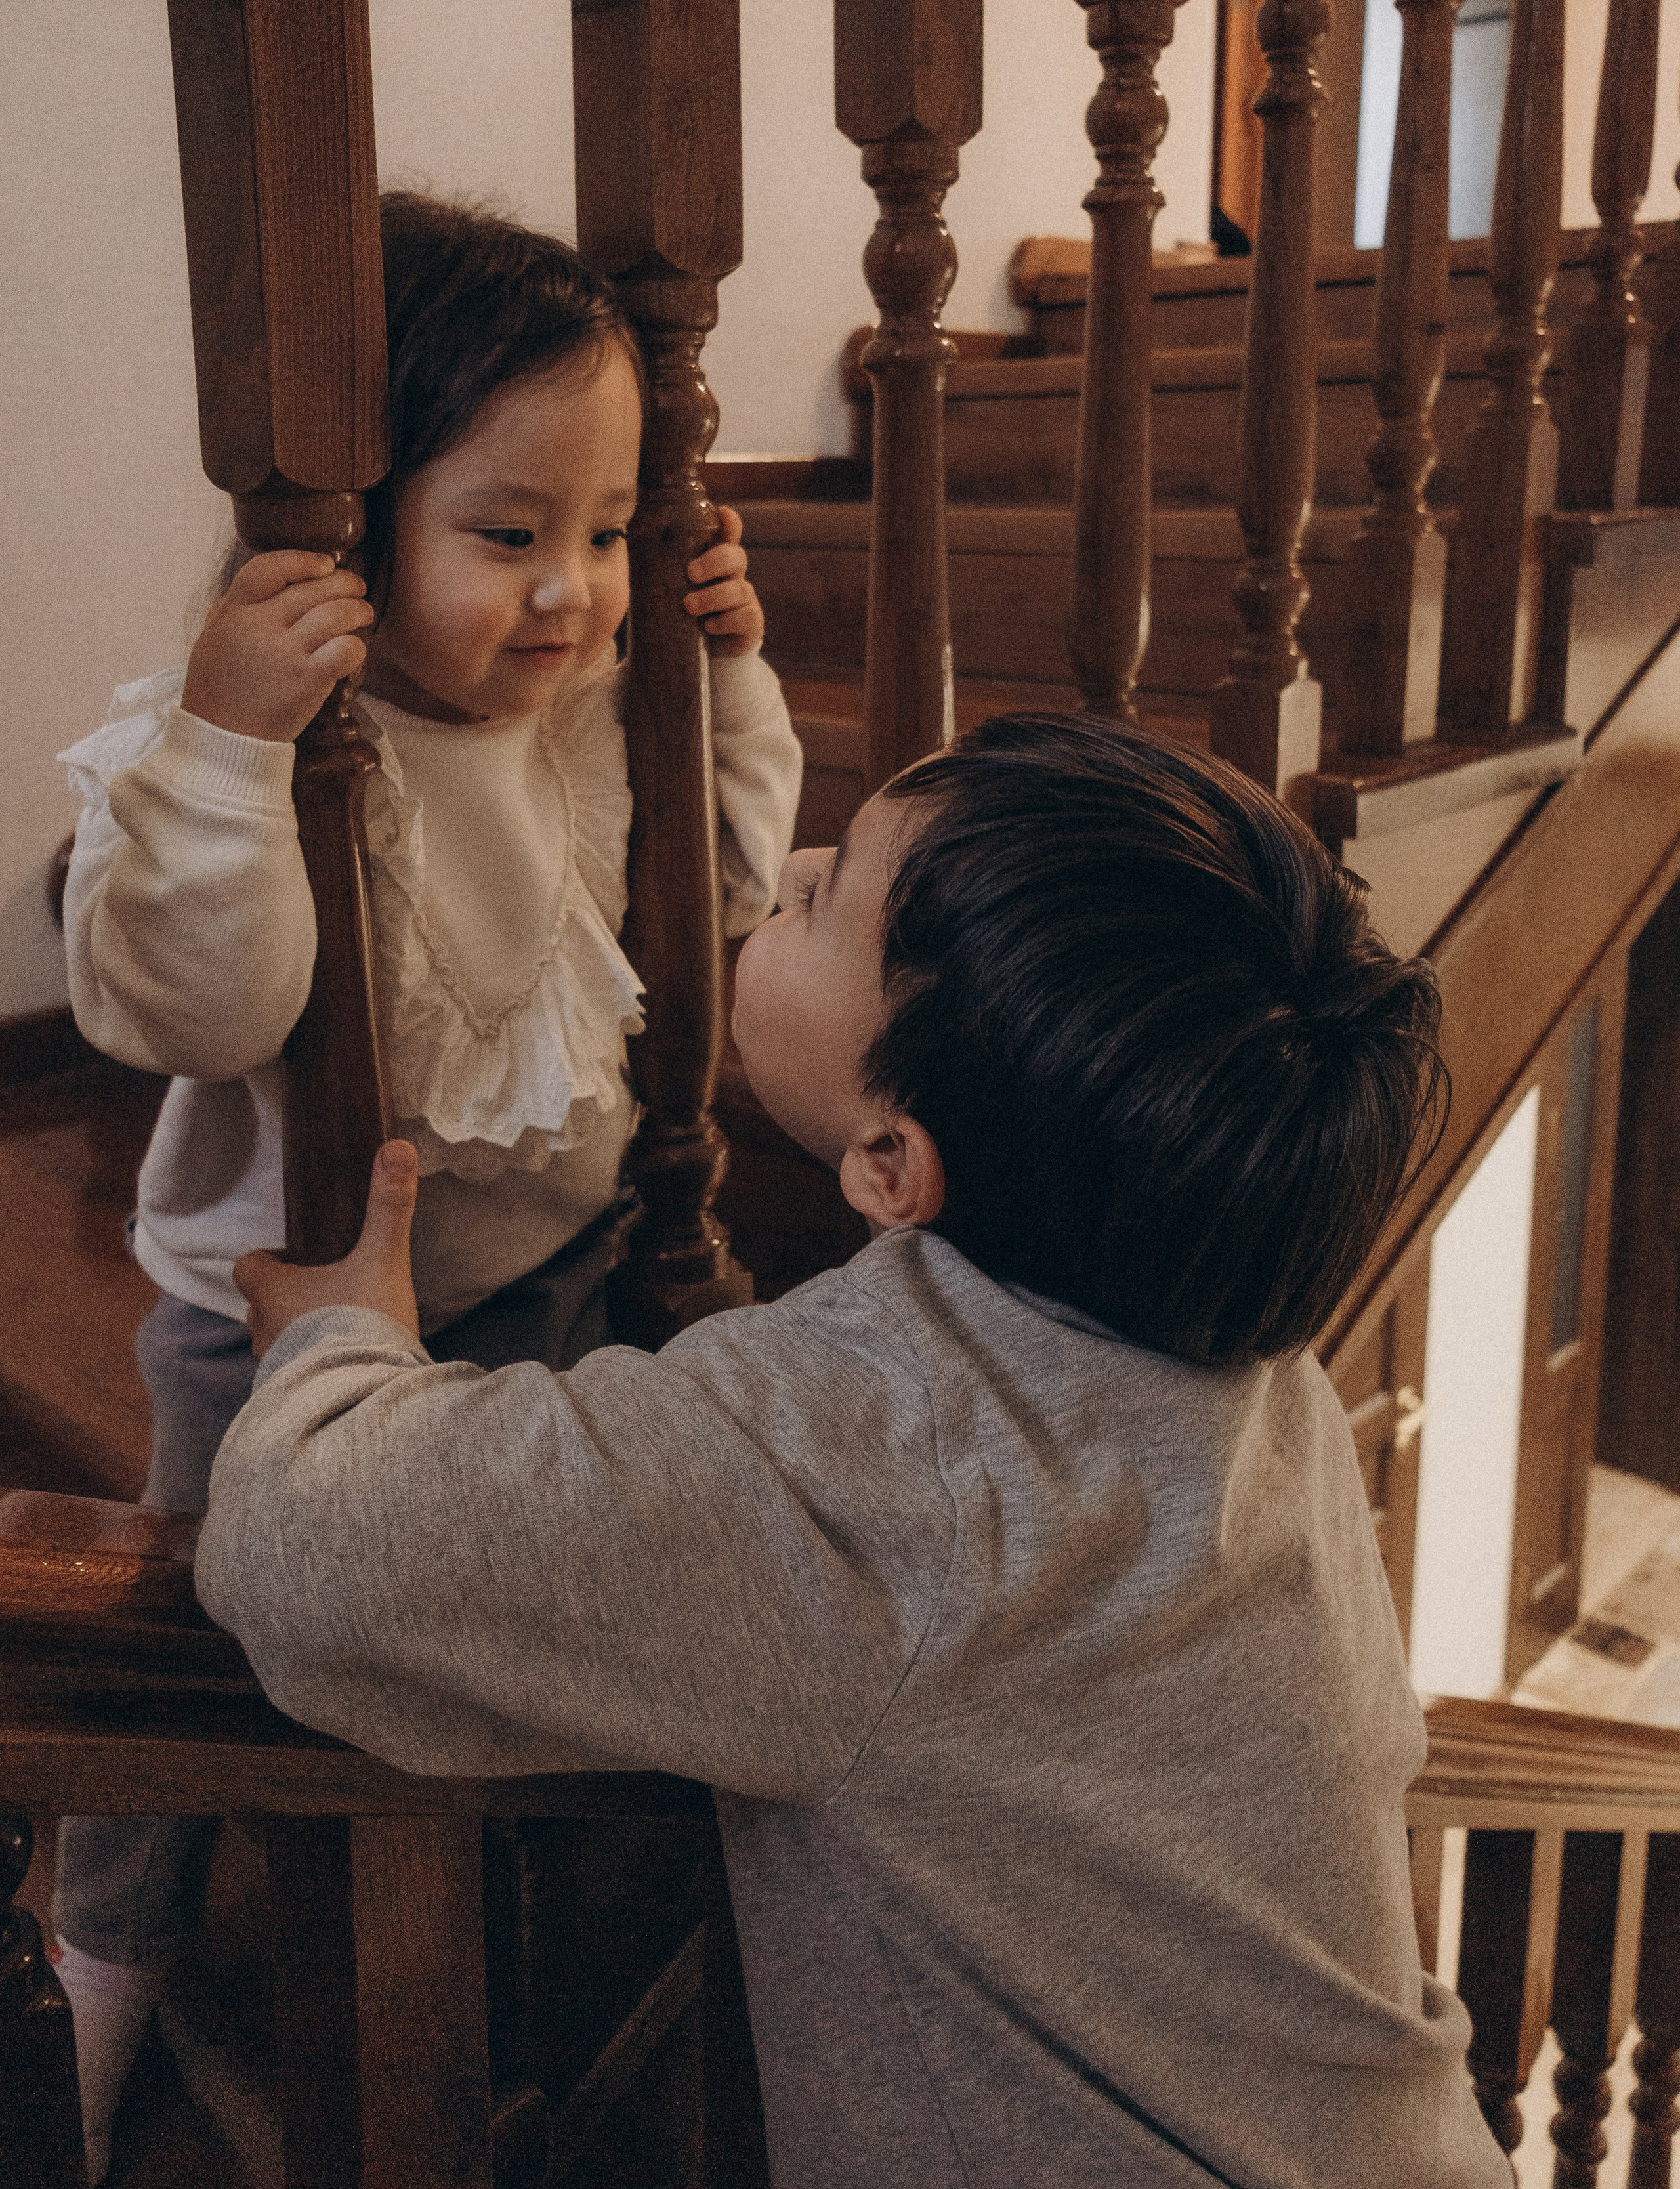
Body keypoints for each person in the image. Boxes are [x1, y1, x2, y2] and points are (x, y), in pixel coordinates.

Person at [197, 713, 1508, 2189]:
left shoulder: (872, 1456)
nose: (796, 862)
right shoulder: (1269, 1382)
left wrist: (340, 1341)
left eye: (824, 896)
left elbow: (308, 1547)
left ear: (892, 1161)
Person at [51, 190, 801, 2180]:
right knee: (195, 1672)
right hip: (275, 1317)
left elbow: (717, 896)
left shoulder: (579, 719)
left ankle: (491, 1970)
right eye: (508, 534)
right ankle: (97, 1977)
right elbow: (194, 1011)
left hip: (545, 1276)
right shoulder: (289, 750)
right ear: (355, 527)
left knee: (475, 1625)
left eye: (611, 534)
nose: (571, 594)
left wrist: (723, 677)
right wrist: (226, 745)